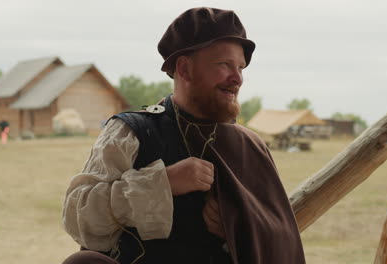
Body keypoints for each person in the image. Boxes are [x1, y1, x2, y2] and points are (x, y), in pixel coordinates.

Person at [62, 7, 306, 264]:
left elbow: (280, 238)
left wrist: (236, 227)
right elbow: (78, 218)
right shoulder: (130, 133)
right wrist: (161, 183)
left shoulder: (250, 146)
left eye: (241, 67)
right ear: (185, 68)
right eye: (224, 64)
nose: (237, 79)